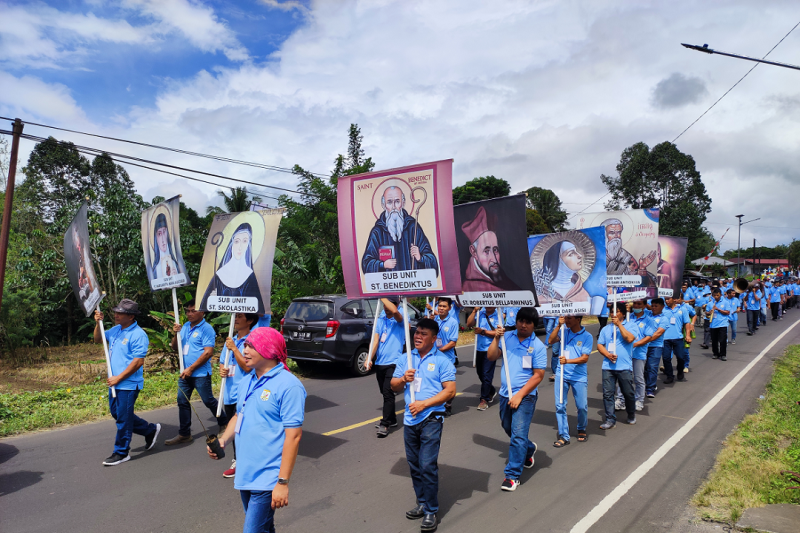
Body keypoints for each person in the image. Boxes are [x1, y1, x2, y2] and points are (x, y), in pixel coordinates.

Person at [208, 327, 306, 533]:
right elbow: (238, 415)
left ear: (268, 349)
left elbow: (294, 437)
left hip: (268, 476)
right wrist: (224, 440)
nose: (244, 350)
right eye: (245, 345)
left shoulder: (289, 386)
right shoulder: (247, 381)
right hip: (246, 472)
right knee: (264, 528)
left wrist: (282, 482)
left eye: (251, 346)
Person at [391, 318, 456, 532]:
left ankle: (431, 511)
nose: (418, 336)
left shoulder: (442, 361)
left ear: (434, 338)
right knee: (415, 465)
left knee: (427, 465)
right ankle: (422, 502)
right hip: (410, 421)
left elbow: (450, 391)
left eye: (423, 333)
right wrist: (402, 379)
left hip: (431, 418)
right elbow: (393, 386)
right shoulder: (405, 359)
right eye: (416, 332)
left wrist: (424, 404)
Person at [93, 299, 161, 466]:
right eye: (116, 312)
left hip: (128, 383)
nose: (116, 315)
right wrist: (98, 323)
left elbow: (138, 362)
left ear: (130, 316)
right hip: (115, 382)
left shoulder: (138, 334)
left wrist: (119, 377)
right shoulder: (116, 330)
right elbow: (98, 339)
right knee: (118, 414)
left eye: (120, 313)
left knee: (123, 418)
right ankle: (150, 430)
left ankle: (121, 452)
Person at [487, 307, 546, 492]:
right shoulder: (507, 337)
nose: (523, 324)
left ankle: (512, 476)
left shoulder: (537, 346)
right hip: (505, 395)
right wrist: (496, 338)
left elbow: (538, 375)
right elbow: (491, 356)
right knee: (508, 428)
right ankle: (528, 449)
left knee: (518, 434)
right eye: (521, 320)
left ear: (534, 325)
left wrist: (520, 395)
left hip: (525, 397)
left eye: (528, 322)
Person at [166, 304, 229, 445]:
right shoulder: (185, 327)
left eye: (193, 311)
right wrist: (175, 334)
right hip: (185, 373)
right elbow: (176, 347)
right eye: (187, 311)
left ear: (202, 312)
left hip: (200, 373)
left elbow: (208, 353)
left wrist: (191, 369)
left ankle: (224, 423)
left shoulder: (207, 329)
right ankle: (184, 434)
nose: (189, 314)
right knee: (182, 401)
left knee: (208, 400)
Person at [362, 186, 440, 275]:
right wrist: (382, 264)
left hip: (412, 285)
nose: (394, 207)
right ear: (384, 205)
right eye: (389, 202)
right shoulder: (377, 232)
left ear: (403, 202)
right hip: (389, 286)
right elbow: (366, 264)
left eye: (397, 201)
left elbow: (432, 261)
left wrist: (420, 258)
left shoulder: (413, 227)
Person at [218, 312, 258, 478]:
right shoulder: (231, 339)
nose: (235, 319)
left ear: (249, 321)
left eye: (239, 316)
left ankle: (244, 462)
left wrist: (235, 348)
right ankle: (238, 459)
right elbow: (222, 361)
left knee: (244, 429)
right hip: (228, 392)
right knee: (234, 429)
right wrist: (222, 369)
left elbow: (248, 367)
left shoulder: (252, 341)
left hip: (244, 392)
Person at [200, 223, 265, 314]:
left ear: (249, 245)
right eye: (237, 241)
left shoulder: (250, 275)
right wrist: (212, 298)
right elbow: (204, 306)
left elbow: (258, 309)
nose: (240, 247)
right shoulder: (220, 274)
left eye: (245, 241)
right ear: (231, 244)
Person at [549, 315, 592, 446]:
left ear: (578, 320)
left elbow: (584, 358)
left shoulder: (587, 336)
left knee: (582, 406)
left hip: (578, 377)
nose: (566, 321)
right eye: (565, 318)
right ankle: (563, 435)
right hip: (562, 374)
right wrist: (558, 325)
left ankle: (581, 428)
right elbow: (551, 340)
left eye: (569, 319)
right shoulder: (563, 332)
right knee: (560, 406)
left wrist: (568, 361)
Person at [365, 297, 405, 438]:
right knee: (385, 392)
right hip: (380, 363)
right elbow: (375, 340)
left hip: (394, 362)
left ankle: (385, 424)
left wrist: (381, 294)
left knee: (388, 393)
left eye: (389, 304)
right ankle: (392, 419)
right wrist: (369, 358)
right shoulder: (381, 319)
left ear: (396, 304)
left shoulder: (401, 316)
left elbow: (394, 311)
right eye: (384, 305)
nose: (386, 308)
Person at [460, 206, 520, 291]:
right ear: (473, 252)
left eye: (495, 250)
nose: (494, 260)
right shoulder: (470, 288)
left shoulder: (501, 276)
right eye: (486, 251)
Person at [597, 304, 636, 429]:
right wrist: (608, 355)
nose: (614, 314)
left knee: (628, 392)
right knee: (608, 394)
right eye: (612, 311)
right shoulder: (605, 329)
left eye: (617, 311)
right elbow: (600, 345)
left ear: (623, 314)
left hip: (624, 366)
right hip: (608, 366)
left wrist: (619, 325)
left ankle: (631, 414)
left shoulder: (631, 326)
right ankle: (610, 419)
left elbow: (629, 339)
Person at [616, 300, 655, 412]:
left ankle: (639, 400)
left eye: (639, 304)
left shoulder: (649, 321)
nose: (636, 306)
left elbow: (648, 337)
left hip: (639, 354)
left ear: (644, 306)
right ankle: (620, 400)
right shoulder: (628, 317)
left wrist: (633, 344)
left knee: (638, 378)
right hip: (625, 354)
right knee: (623, 377)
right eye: (635, 304)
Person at [467, 306, 500, 411]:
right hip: (479, 349)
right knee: (480, 373)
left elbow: (497, 333)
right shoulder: (479, 313)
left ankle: (484, 399)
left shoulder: (498, 315)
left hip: (491, 350)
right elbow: (469, 324)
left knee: (486, 374)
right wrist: (474, 311)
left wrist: (483, 332)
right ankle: (491, 390)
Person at [434, 298, 459, 417]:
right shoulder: (435, 320)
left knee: (448, 385)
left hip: (447, 359)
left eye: (444, 306)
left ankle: (448, 405)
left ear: (449, 308)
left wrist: (439, 351)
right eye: (440, 306)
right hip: (434, 358)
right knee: (436, 383)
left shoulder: (453, 322)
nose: (441, 308)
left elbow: (453, 342)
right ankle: (438, 405)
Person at [661, 296, 693, 384]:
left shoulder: (682, 309)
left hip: (678, 338)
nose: (666, 301)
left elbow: (687, 323)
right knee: (666, 358)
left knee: (680, 357)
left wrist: (688, 335)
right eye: (665, 299)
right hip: (665, 338)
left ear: (674, 299)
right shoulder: (663, 310)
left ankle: (680, 371)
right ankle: (669, 376)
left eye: (668, 299)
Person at [150, 212, 185, 285]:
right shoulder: (155, 270)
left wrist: (177, 279)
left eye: (164, 231)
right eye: (159, 234)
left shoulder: (175, 264)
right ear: (155, 238)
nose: (163, 239)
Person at [643, 298, 667, 399]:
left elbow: (659, 333)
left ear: (662, 307)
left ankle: (650, 388)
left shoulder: (664, 318)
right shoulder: (647, 314)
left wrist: (645, 340)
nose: (653, 308)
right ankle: (649, 383)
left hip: (656, 346)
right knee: (644, 368)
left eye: (656, 306)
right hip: (644, 346)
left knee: (652, 366)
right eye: (652, 306)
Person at [705, 288, 731, 361]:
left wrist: (718, 309)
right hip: (713, 324)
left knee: (722, 340)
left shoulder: (725, 302)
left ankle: (723, 354)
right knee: (714, 340)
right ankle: (715, 353)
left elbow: (728, 312)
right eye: (714, 295)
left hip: (722, 324)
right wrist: (709, 312)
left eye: (717, 295)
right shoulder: (710, 303)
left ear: (720, 295)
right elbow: (706, 313)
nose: (716, 297)